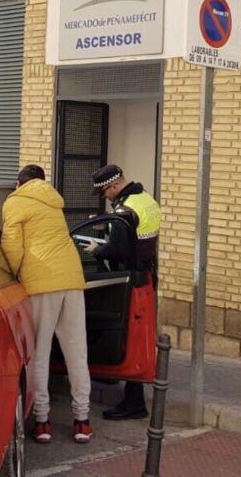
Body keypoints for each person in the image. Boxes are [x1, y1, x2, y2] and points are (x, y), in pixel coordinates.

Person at [1, 164, 93, 444]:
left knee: (40, 354)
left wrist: (9, 277)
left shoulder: (15, 203)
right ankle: (83, 421)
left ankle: (42, 422)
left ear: (19, 183)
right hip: (72, 280)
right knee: (77, 352)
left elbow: (12, 246)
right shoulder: (53, 201)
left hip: (41, 283)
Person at [84, 164, 161, 420]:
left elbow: (118, 250)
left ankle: (134, 402)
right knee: (137, 337)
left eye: (105, 192)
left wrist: (97, 249)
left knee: (128, 339)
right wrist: (107, 226)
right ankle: (122, 385)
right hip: (145, 277)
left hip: (129, 280)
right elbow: (134, 237)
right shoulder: (144, 198)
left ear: (114, 186)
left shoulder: (125, 210)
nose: (105, 196)